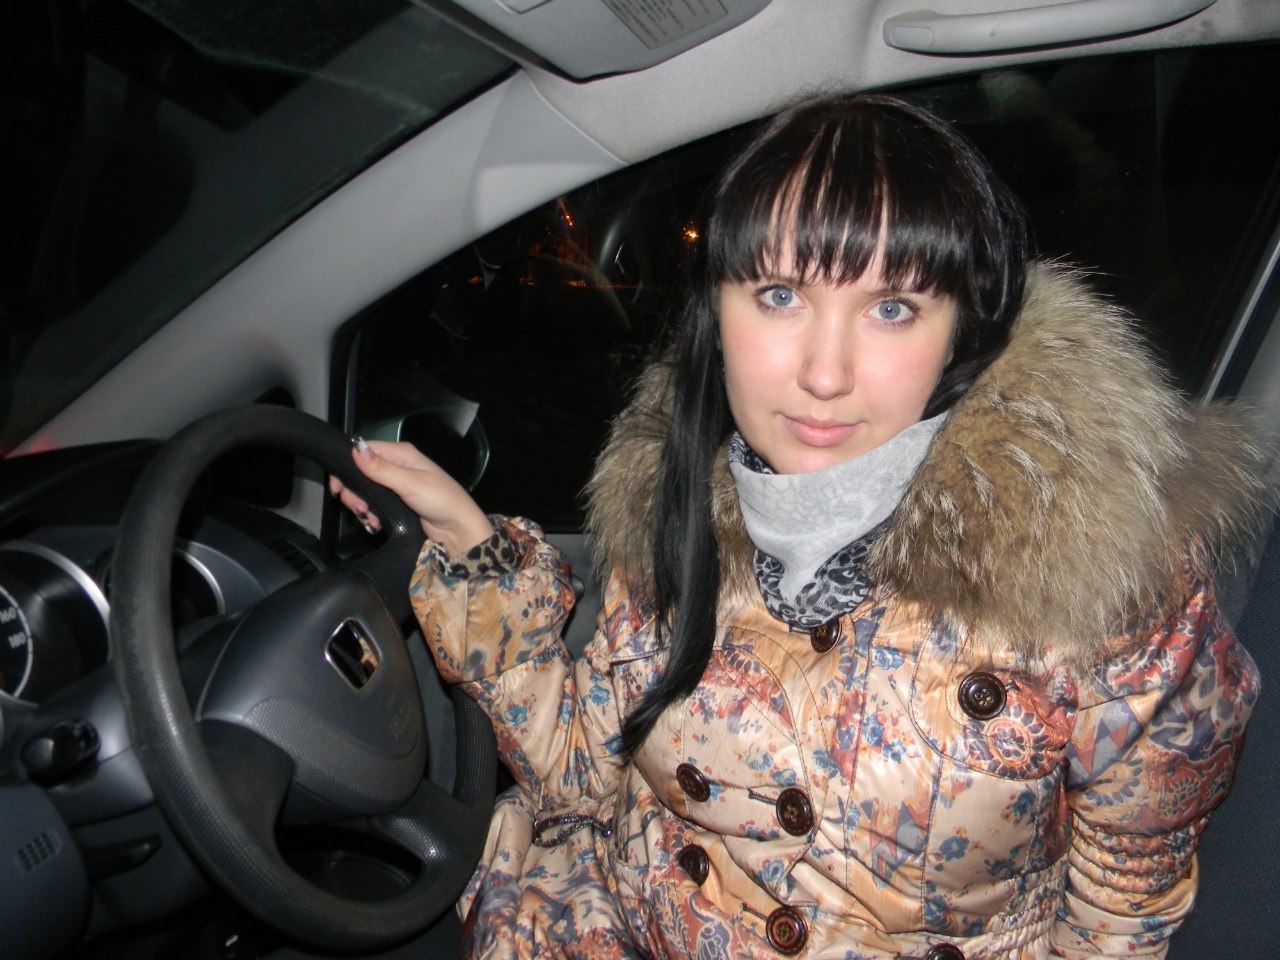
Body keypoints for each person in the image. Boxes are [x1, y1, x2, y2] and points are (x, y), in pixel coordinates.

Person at [331, 94, 1269, 959]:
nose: (825, 374)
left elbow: (1120, 910)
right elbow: (582, 777)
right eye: (780, 295)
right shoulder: (675, 506)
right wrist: (471, 547)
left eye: (893, 308)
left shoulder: (1105, 568)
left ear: (962, 329)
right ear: (718, 309)